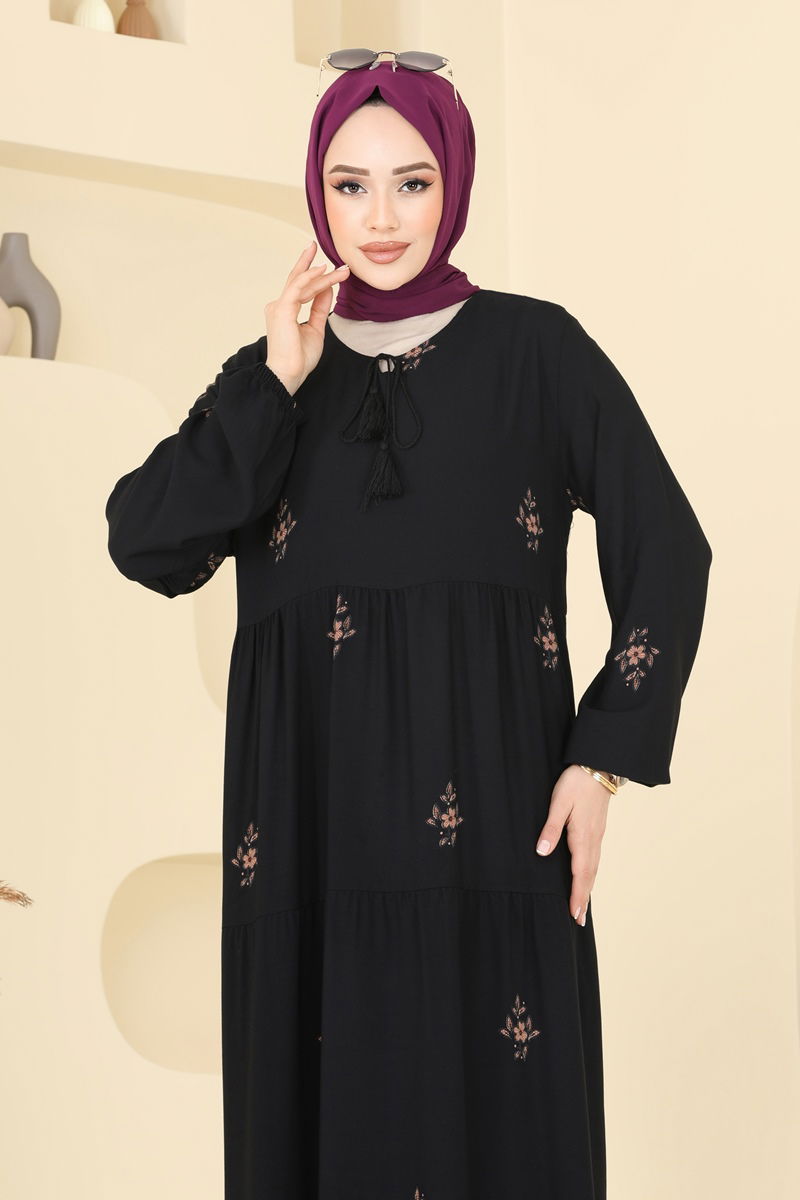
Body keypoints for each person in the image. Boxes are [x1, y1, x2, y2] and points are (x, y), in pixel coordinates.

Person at [105, 55, 712, 1200]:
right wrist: (275, 381)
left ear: (453, 186)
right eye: (349, 186)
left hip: (495, 843)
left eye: (411, 183)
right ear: (317, 195)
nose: (379, 219)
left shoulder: (537, 353)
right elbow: (144, 542)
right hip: (308, 851)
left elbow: (667, 546)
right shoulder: (270, 379)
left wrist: (601, 758)